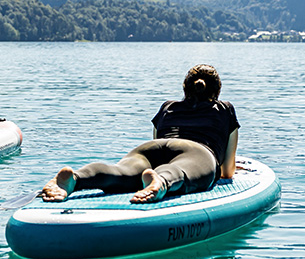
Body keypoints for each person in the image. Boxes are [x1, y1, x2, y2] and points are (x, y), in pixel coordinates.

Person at [40, 64, 241, 203]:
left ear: (185, 88)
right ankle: (160, 182)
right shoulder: (224, 109)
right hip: (197, 152)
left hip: (150, 149)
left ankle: (77, 177)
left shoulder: (167, 107)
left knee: (122, 172)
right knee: (178, 171)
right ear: (217, 91)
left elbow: (158, 140)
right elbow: (227, 171)